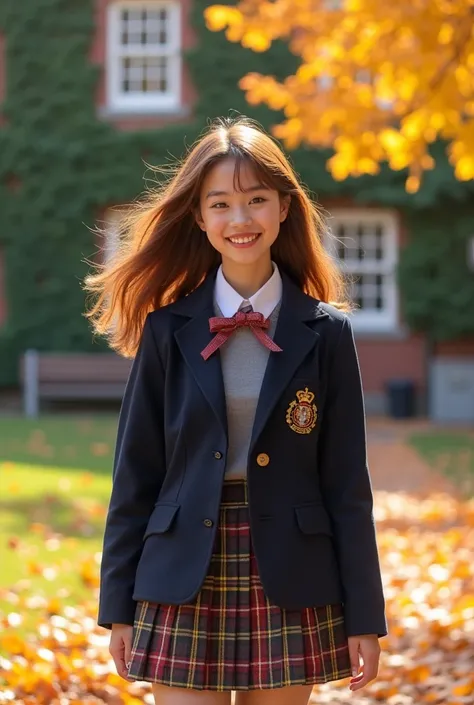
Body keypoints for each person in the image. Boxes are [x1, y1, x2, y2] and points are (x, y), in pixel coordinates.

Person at [84, 115, 387, 705]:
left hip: (293, 571)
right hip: (182, 570)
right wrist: (117, 604)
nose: (240, 219)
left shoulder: (326, 334)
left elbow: (348, 485)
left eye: (255, 200)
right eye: (220, 203)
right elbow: (136, 476)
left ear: (283, 209)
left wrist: (365, 618)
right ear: (200, 218)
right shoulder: (166, 331)